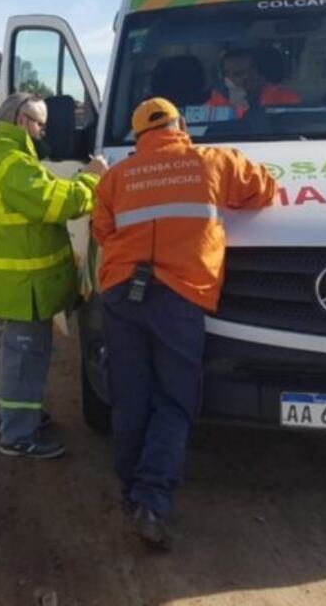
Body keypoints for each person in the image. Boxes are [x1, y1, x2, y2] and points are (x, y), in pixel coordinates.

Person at [92, 98, 276, 549]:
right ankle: (151, 502)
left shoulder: (115, 177)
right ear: (181, 126)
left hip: (121, 294)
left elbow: (102, 231)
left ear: (137, 136)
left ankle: (131, 491)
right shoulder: (212, 161)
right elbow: (264, 190)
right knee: (174, 401)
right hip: (179, 297)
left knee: (130, 396)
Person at [0, 93, 108, 459]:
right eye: (40, 124)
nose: (43, 131)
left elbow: (42, 194)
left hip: (10, 282)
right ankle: (18, 437)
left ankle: (5, 417)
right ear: (22, 121)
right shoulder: (13, 164)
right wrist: (93, 180)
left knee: (8, 354)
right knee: (25, 357)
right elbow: (57, 203)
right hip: (24, 283)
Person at [206, 48, 301, 119]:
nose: (247, 76)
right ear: (227, 80)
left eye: (251, 69)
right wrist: (239, 102)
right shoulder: (214, 104)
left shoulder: (286, 97)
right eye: (238, 74)